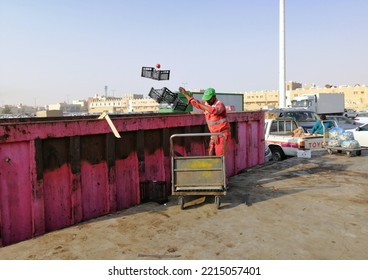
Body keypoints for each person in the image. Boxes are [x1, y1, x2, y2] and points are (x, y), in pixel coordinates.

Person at [179, 87, 231, 156]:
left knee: (220, 155)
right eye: (206, 99)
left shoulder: (220, 105)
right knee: (210, 152)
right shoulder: (206, 105)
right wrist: (185, 94)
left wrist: (201, 104)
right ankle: (212, 166)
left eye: (209, 99)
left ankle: (220, 166)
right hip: (214, 134)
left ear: (214, 97)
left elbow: (214, 111)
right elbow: (195, 102)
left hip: (222, 134)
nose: (207, 101)